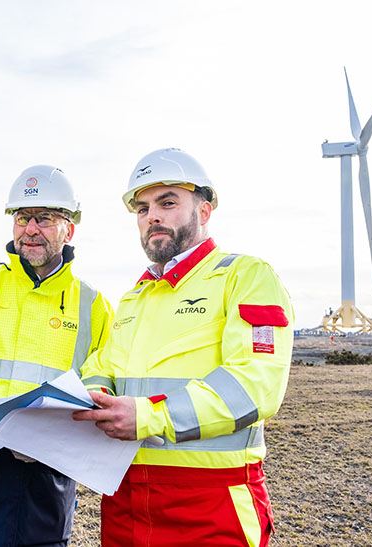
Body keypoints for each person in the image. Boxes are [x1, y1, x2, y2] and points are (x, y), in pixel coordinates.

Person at [74, 148, 294, 547]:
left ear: (205, 211)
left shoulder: (245, 277)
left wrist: (148, 416)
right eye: (142, 208)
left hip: (210, 507)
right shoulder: (134, 298)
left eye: (167, 202)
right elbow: (101, 364)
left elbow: (255, 384)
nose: (152, 216)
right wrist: (97, 396)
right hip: (125, 503)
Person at [0, 165, 114, 547]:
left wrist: (57, 434)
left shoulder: (93, 306)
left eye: (44, 218)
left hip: (44, 481)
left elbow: (101, 381)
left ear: (69, 228)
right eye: (22, 217)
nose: (30, 229)